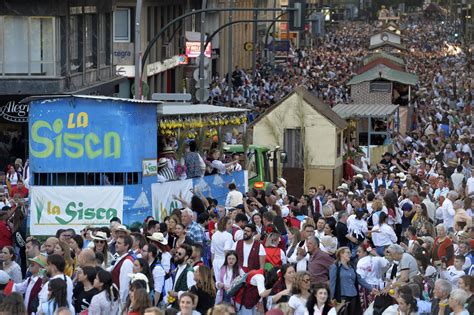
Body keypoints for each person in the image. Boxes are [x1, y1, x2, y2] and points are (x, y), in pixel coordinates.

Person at [329, 247, 375, 315]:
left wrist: (371, 288)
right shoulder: (335, 267)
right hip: (342, 297)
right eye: (347, 253)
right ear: (341, 254)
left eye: (350, 253)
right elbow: (332, 283)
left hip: (353, 296)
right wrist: (332, 297)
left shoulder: (352, 267)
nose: (350, 255)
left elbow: (359, 279)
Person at [110, 234, 135, 310]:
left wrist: (122, 307)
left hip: (119, 303)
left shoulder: (127, 262)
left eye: (119, 243)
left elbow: (124, 288)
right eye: (116, 243)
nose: (116, 245)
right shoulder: (121, 258)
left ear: (127, 246)